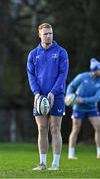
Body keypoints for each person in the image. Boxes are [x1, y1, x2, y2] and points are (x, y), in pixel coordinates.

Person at [27, 23, 69, 171]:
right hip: (39, 96)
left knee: (55, 128)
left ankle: (55, 164)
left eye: (50, 33)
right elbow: (31, 76)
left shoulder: (61, 52)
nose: (48, 36)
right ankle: (42, 163)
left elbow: (63, 75)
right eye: (45, 34)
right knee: (42, 128)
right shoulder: (33, 54)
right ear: (39, 35)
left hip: (56, 95)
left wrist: (53, 92)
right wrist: (37, 94)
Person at [65, 58, 100, 160]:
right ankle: (71, 154)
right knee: (75, 129)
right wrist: (68, 96)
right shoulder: (82, 77)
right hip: (78, 108)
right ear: (94, 70)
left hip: (91, 108)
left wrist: (82, 100)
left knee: (99, 127)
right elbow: (71, 86)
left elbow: (96, 98)